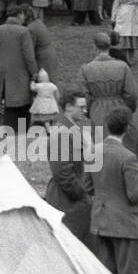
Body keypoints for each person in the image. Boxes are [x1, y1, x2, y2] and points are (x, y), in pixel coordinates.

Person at [90, 107, 138, 274]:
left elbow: (87, 186)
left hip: (101, 219)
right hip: (123, 223)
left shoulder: (94, 151)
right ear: (127, 128)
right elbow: (134, 195)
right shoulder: (128, 157)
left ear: (107, 126)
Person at [43, 89, 93, 243]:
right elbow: (62, 172)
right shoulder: (62, 133)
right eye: (81, 107)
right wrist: (81, 194)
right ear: (69, 107)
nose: (85, 111)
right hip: (66, 200)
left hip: (70, 197)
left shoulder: (70, 129)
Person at [0, 5, 37, 133]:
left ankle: (9, 139)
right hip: (21, 76)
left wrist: (2, 64)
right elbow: (29, 56)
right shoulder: (23, 31)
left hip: (5, 75)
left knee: (9, 107)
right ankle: (21, 139)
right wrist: (34, 73)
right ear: (20, 14)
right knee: (23, 108)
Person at [79, 31, 138, 133]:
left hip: (97, 111)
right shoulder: (122, 66)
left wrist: (89, 110)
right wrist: (128, 108)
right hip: (120, 109)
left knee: (100, 145)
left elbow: (84, 95)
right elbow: (131, 94)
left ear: (94, 47)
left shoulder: (86, 69)